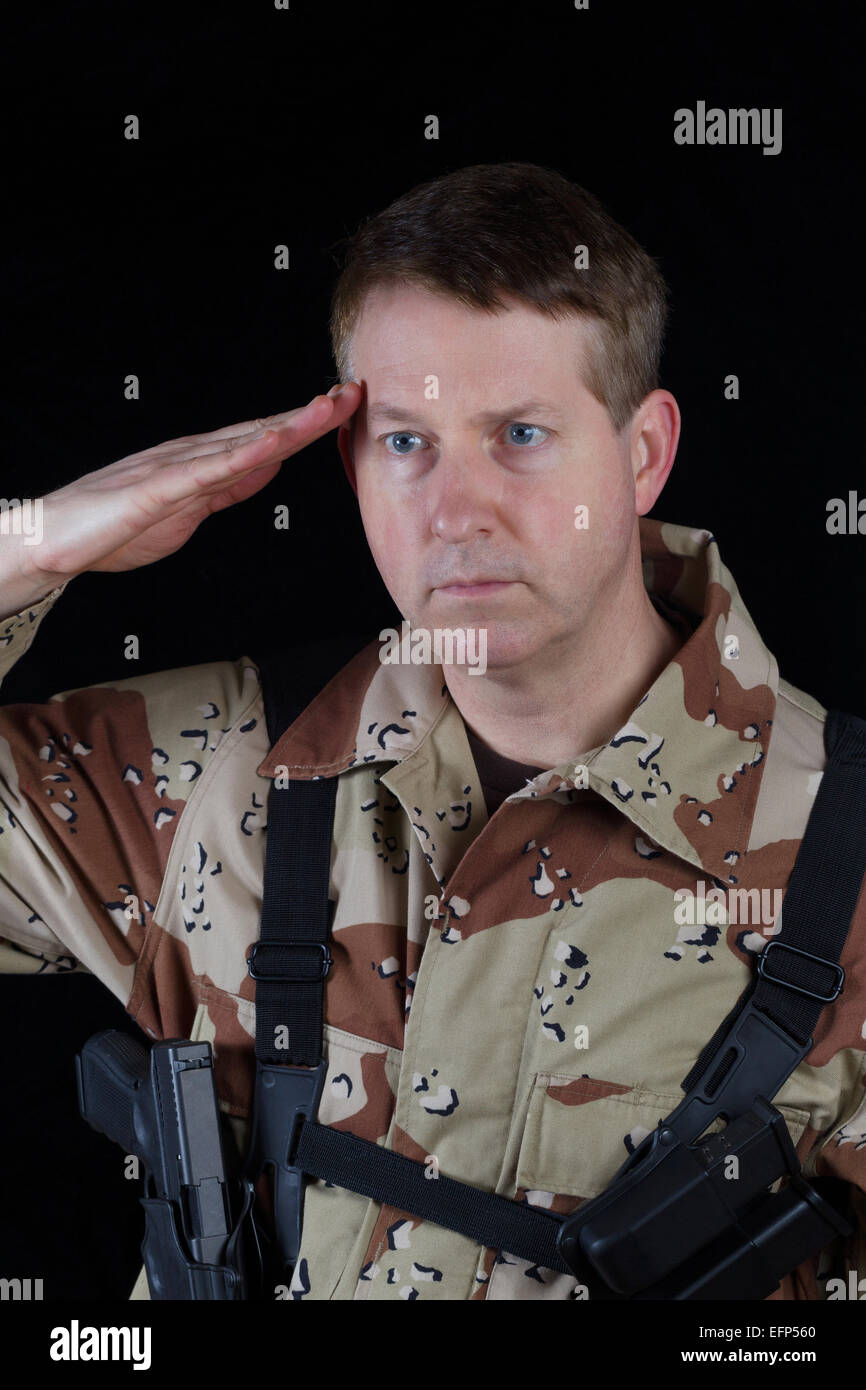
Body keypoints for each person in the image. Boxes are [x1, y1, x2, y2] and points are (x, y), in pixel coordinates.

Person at [1, 162, 863, 1302]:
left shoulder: (838, 857)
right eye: (405, 441)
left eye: (516, 433)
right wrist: (36, 542)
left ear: (643, 452)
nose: (454, 513)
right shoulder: (217, 770)